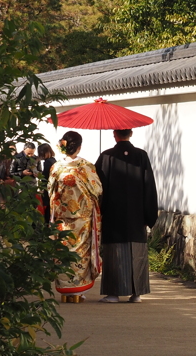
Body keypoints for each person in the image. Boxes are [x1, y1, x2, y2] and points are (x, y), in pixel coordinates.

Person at [95, 128, 159, 303]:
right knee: (136, 251)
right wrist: (149, 214)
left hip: (113, 212)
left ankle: (113, 293)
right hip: (137, 213)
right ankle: (136, 293)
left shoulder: (107, 156)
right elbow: (149, 184)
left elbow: (96, 186)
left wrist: (99, 209)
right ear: (131, 134)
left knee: (115, 252)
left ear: (114, 134)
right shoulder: (141, 156)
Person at [48, 131, 103, 302]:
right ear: (79, 147)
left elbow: (50, 189)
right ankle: (77, 292)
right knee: (80, 253)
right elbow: (97, 189)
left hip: (62, 217)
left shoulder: (56, 167)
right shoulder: (86, 167)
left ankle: (65, 292)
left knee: (63, 250)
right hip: (82, 217)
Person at [36, 143, 57, 223]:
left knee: (47, 209)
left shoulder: (48, 162)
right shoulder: (53, 160)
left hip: (48, 189)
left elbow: (45, 177)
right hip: (53, 188)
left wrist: (39, 176)